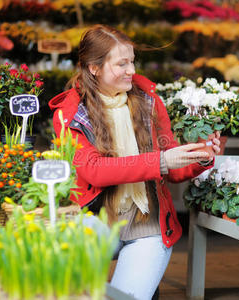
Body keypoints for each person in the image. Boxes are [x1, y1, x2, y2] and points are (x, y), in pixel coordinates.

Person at [49, 24, 220, 300]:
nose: (132, 70)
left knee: (126, 297)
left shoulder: (148, 101)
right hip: (95, 219)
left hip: (146, 224)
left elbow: (174, 169)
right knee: (69, 291)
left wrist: (201, 156)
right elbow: (94, 171)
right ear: (94, 68)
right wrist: (162, 161)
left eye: (132, 61)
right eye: (122, 63)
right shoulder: (70, 113)